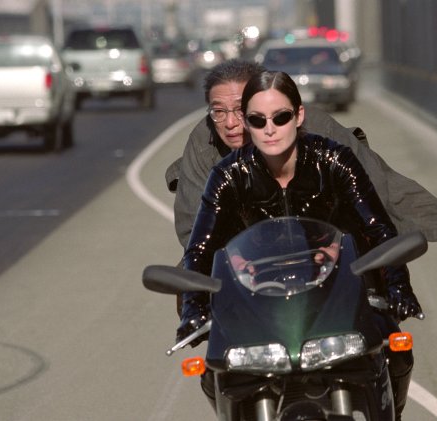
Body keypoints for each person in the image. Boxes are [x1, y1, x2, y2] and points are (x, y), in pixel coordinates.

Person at [178, 70, 424, 420]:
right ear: (247, 124)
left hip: (339, 288)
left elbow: (378, 228)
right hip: (261, 296)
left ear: (298, 115)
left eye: (280, 117)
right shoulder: (228, 175)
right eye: (257, 119)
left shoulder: (334, 159)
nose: (270, 128)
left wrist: (398, 285)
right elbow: (200, 250)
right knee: (215, 369)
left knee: (396, 351)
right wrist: (193, 307)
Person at [165, 59, 437, 254]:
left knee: (381, 281)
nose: (230, 123)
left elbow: (369, 189)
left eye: (241, 110)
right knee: (194, 289)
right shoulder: (204, 142)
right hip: (249, 252)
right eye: (219, 112)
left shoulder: (317, 129)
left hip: (331, 238)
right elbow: (193, 223)